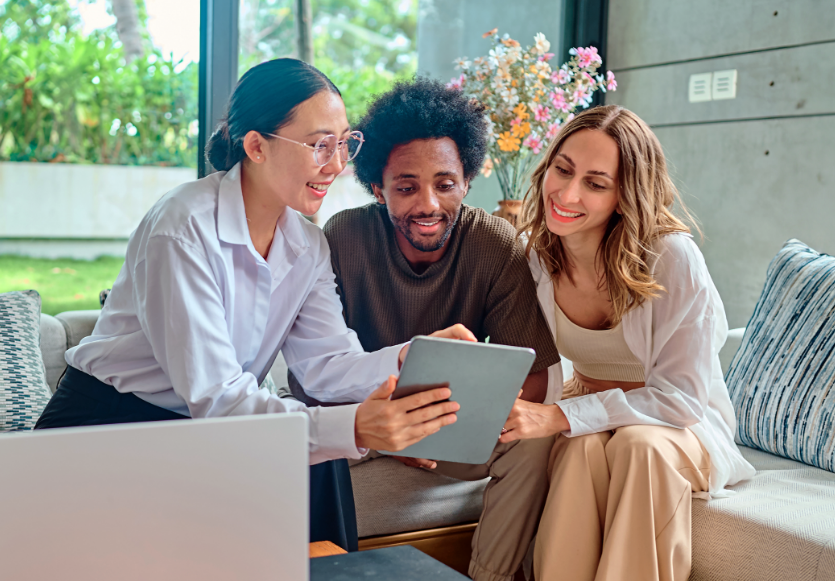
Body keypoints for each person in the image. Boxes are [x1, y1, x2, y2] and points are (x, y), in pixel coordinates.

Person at [34, 58, 475, 552]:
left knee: (316, 451)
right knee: (319, 444)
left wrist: (410, 356)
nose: (336, 166)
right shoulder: (182, 228)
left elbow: (328, 366)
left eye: (344, 143)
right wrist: (351, 425)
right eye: (319, 146)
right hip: (110, 430)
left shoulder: (308, 245)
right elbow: (217, 398)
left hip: (200, 434)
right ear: (256, 146)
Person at [300, 78, 562, 581]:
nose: (428, 204)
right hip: (365, 425)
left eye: (445, 184)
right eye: (405, 187)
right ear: (377, 187)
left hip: (450, 430)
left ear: (468, 179)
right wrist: (390, 431)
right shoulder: (344, 237)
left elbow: (534, 381)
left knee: (534, 441)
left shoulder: (495, 244)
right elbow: (314, 376)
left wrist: (438, 433)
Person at [500, 104, 756, 581]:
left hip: (681, 422)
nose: (568, 193)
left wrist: (560, 415)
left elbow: (680, 399)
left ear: (624, 194)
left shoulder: (672, 258)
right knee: (578, 451)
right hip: (591, 405)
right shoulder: (538, 256)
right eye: (563, 169)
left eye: (595, 184)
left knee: (638, 448)